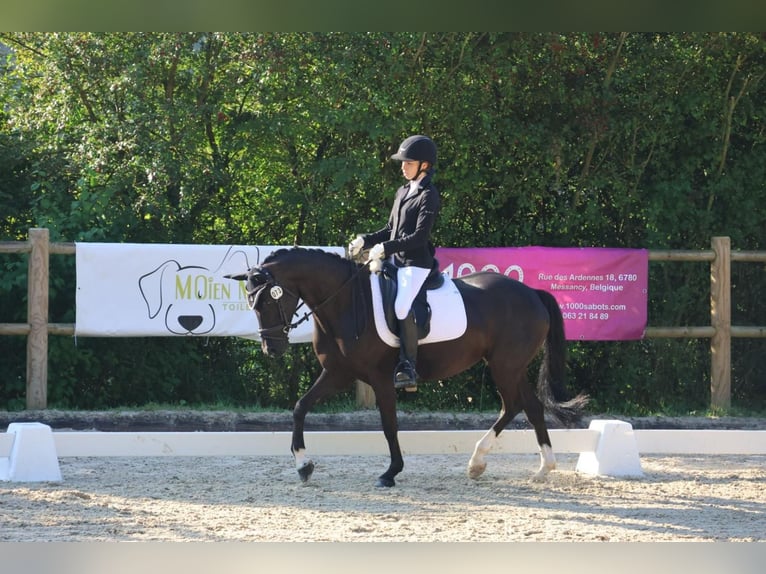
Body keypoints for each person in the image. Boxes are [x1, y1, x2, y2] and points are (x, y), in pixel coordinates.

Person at [349, 134, 440, 390]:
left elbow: (420, 236)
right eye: (402, 162)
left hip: (416, 264)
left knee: (401, 307)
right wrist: (365, 240)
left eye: (408, 162)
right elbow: (391, 228)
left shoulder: (428, 194)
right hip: (396, 261)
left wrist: (386, 247)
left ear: (424, 165)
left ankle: (408, 366)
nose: (403, 166)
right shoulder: (402, 191)